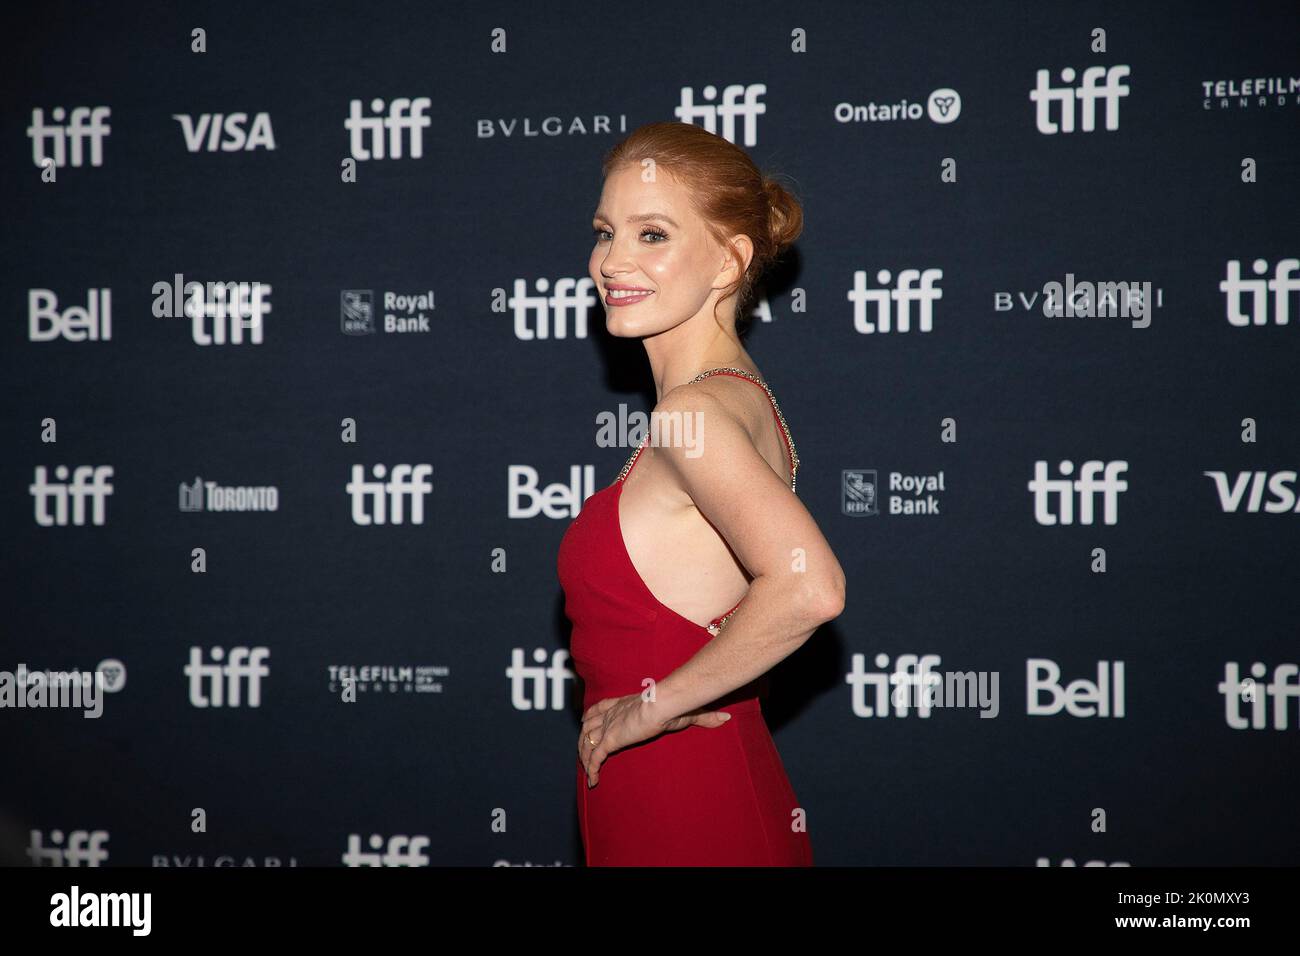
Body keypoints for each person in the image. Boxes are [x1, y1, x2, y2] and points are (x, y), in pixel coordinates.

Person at [557, 121, 845, 866]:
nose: (611, 260)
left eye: (652, 234)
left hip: (681, 801)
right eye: (605, 231)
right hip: (684, 779)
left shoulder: (695, 414)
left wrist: (647, 711)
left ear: (728, 260)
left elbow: (809, 589)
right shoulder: (732, 400)